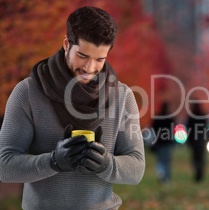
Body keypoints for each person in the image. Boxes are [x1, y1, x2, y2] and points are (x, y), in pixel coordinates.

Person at [0, 6, 145, 210]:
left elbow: (137, 169)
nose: (89, 68)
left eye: (99, 60)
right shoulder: (27, 92)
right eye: (83, 56)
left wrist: (107, 164)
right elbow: (4, 166)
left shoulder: (122, 97)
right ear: (67, 44)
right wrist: (53, 162)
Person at [150, 102, 176, 183]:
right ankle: (166, 177)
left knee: (160, 160)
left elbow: (153, 128)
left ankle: (161, 175)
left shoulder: (157, 117)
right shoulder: (170, 118)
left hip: (159, 142)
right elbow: (173, 130)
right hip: (167, 143)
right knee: (167, 161)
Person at [186, 102, 208, 183]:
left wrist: (188, 140)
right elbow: (206, 128)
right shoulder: (203, 116)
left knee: (195, 158)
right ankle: (200, 173)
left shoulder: (191, 117)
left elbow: (188, 129)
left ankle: (197, 173)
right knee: (201, 158)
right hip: (201, 140)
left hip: (194, 141)